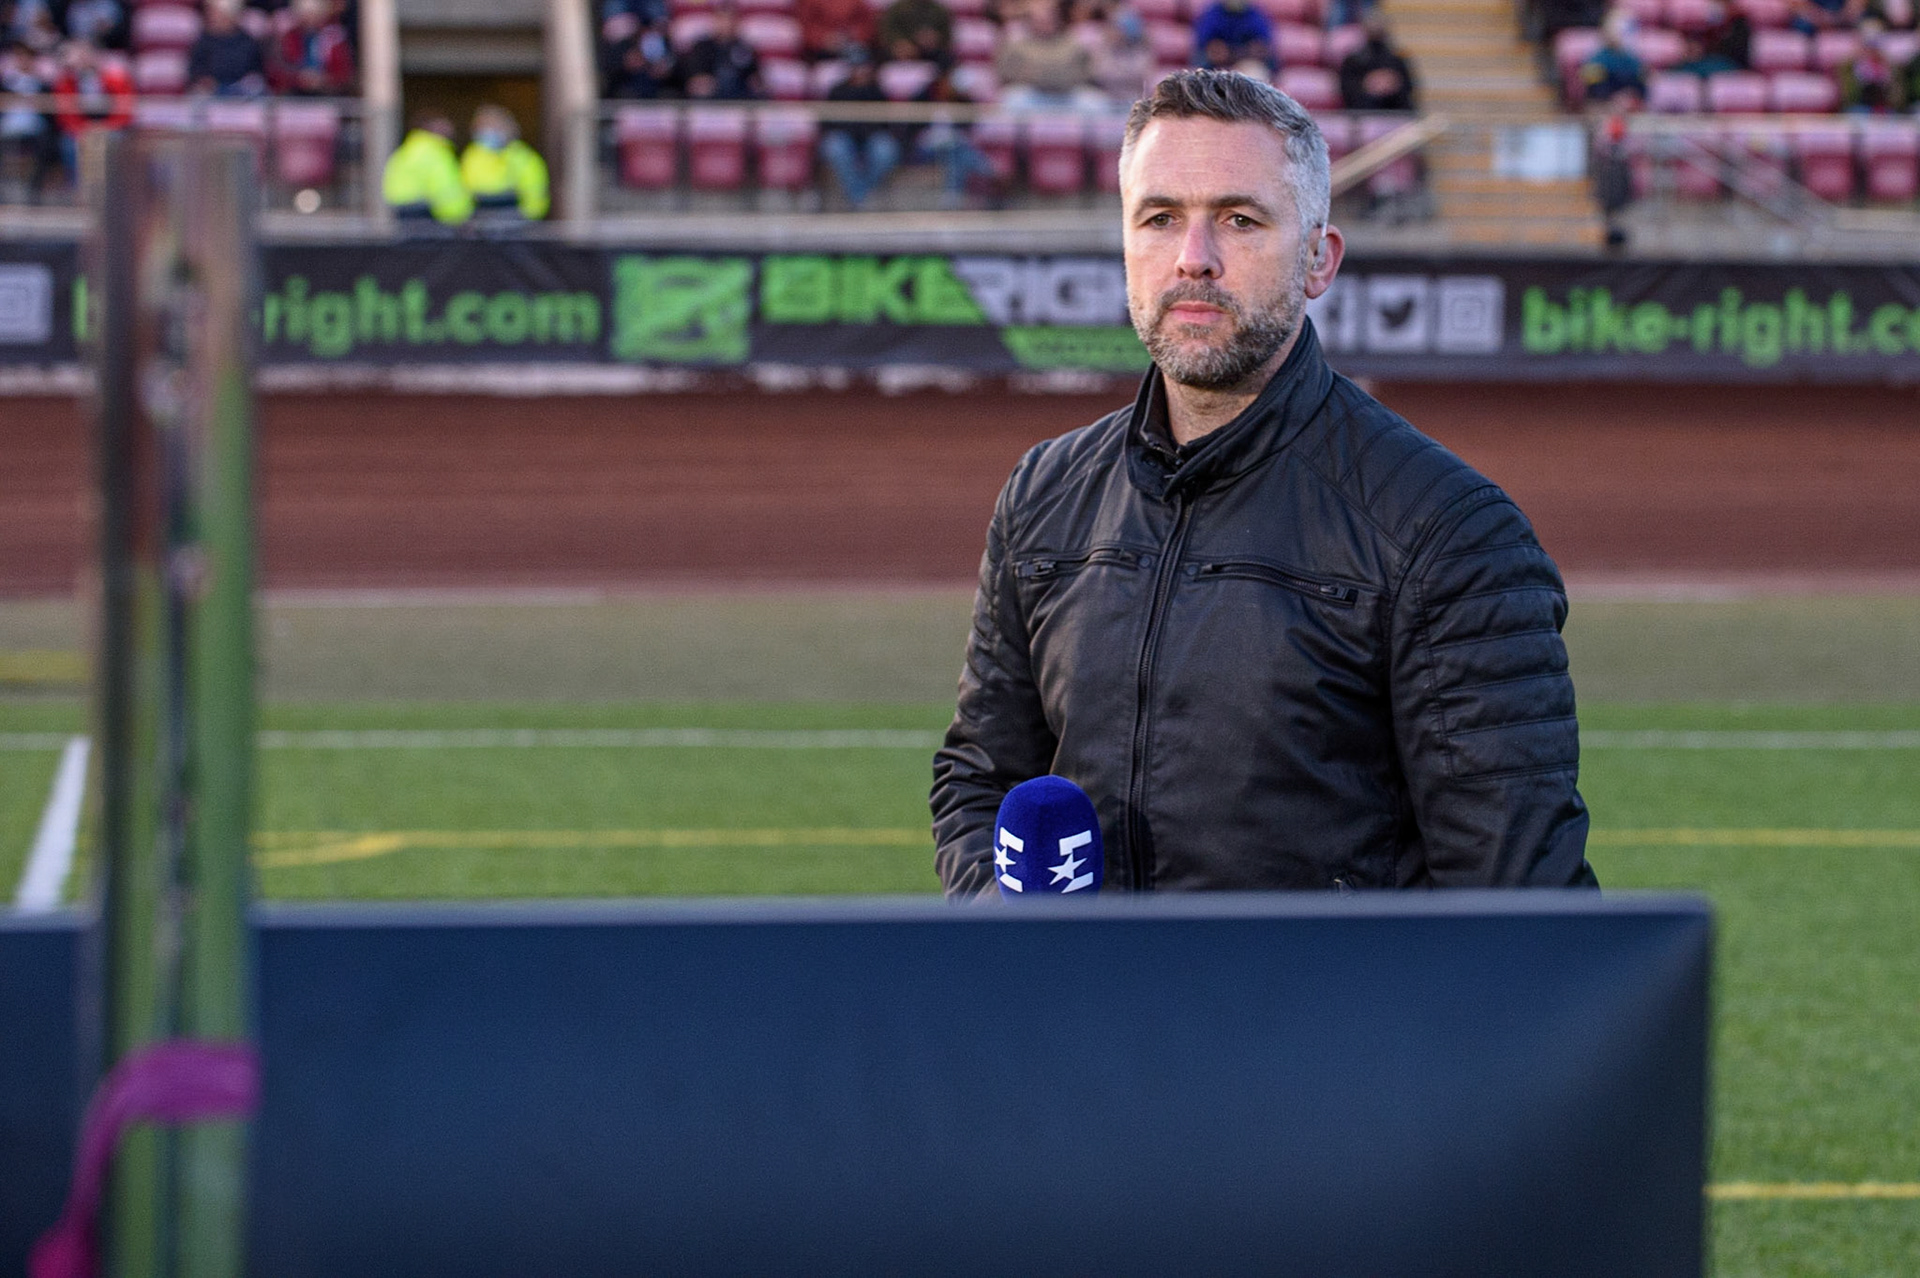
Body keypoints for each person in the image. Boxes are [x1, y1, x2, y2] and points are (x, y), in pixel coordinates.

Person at [930, 70, 1595, 896]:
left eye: (1239, 221)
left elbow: (1518, 899)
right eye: (1160, 218)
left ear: (1319, 259)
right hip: (1086, 1021)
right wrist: (1009, 917)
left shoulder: (1448, 532)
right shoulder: (1044, 495)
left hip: (1316, 1026)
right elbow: (978, 780)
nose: (1194, 259)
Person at [819, 50, 900, 208]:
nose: (860, 71)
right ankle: (861, 198)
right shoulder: (837, 90)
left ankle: (860, 196)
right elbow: (827, 123)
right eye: (856, 67)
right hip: (845, 136)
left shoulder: (876, 90)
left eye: (863, 66)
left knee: (886, 150)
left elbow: (887, 123)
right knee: (834, 147)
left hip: (871, 136)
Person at [995, 0, 1104, 109]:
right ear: (1030, 21)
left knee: (1095, 103)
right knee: (1011, 99)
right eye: (1040, 20)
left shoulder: (1074, 43)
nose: (1044, 23)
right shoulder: (1018, 45)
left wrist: (1066, 78)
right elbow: (1005, 71)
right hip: (1033, 93)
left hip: (1067, 93)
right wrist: (1028, 76)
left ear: (1057, 19)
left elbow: (1087, 70)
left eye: (1049, 19)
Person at [51, 37, 130, 178]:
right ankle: (78, 194)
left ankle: (111, 191)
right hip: (80, 130)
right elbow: (65, 115)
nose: (84, 59)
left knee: (116, 142)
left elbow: (124, 111)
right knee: (69, 145)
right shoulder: (67, 82)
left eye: (87, 54)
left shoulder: (116, 79)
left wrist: (106, 127)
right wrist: (82, 129)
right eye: (80, 55)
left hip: (109, 129)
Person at [459, 104, 548, 221]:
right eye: (482, 126)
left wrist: (525, 218)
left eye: (493, 126)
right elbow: (461, 191)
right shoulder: (472, 155)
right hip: (479, 220)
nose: (487, 131)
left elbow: (536, 195)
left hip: (513, 221)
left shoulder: (522, 157)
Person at [382, 110, 471, 227]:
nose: (450, 131)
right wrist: (461, 217)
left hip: (403, 216)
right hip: (428, 218)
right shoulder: (435, 152)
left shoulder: (406, 150)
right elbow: (445, 189)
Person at [678, 1, 761, 99]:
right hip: (710, 98)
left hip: (738, 96)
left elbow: (754, 79)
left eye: (730, 19)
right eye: (722, 19)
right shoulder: (702, 47)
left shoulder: (744, 48)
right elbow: (695, 80)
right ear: (715, 21)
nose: (726, 24)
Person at [270, 0, 355, 95]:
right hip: (295, 94)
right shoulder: (289, 38)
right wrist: (299, 77)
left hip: (328, 94)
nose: (309, 19)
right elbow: (278, 70)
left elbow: (344, 73)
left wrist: (323, 79)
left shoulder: (335, 37)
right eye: (305, 15)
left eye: (313, 15)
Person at [1337, 13, 1416, 111]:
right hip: (1362, 113)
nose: (1375, 30)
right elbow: (1346, 90)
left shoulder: (1397, 60)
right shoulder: (1353, 60)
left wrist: (1392, 84)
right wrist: (1366, 85)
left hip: (1395, 111)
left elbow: (1409, 87)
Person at [186, 0, 267, 96]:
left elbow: (256, 71)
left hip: (242, 92)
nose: (211, 17)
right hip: (212, 92)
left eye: (216, 14)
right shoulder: (203, 42)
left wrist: (247, 82)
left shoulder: (247, 42)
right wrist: (203, 80)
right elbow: (195, 71)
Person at [1191, 0, 1274, 75]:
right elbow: (1213, 50)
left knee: (1257, 73)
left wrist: (1235, 55)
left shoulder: (1257, 14)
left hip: (1248, 64)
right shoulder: (1211, 14)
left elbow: (1260, 48)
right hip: (1214, 67)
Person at [1579, 13, 1645, 108]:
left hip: (1629, 104)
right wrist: (1612, 100)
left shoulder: (1633, 60)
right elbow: (1594, 91)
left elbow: (1641, 87)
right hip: (1604, 105)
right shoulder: (1596, 60)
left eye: (1622, 30)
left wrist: (1629, 96)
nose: (1617, 34)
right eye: (1614, 29)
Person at [875, 0, 952, 66]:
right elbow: (888, 32)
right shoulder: (897, 9)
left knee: (944, 58)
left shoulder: (938, 11)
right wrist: (900, 42)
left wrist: (934, 39)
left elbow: (946, 35)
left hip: (930, 52)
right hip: (900, 48)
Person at [795, 0, 874, 62]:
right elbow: (804, 24)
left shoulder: (858, 2)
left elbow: (866, 23)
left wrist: (851, 35)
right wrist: (824, 38)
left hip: (851, 45)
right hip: (819, 52)